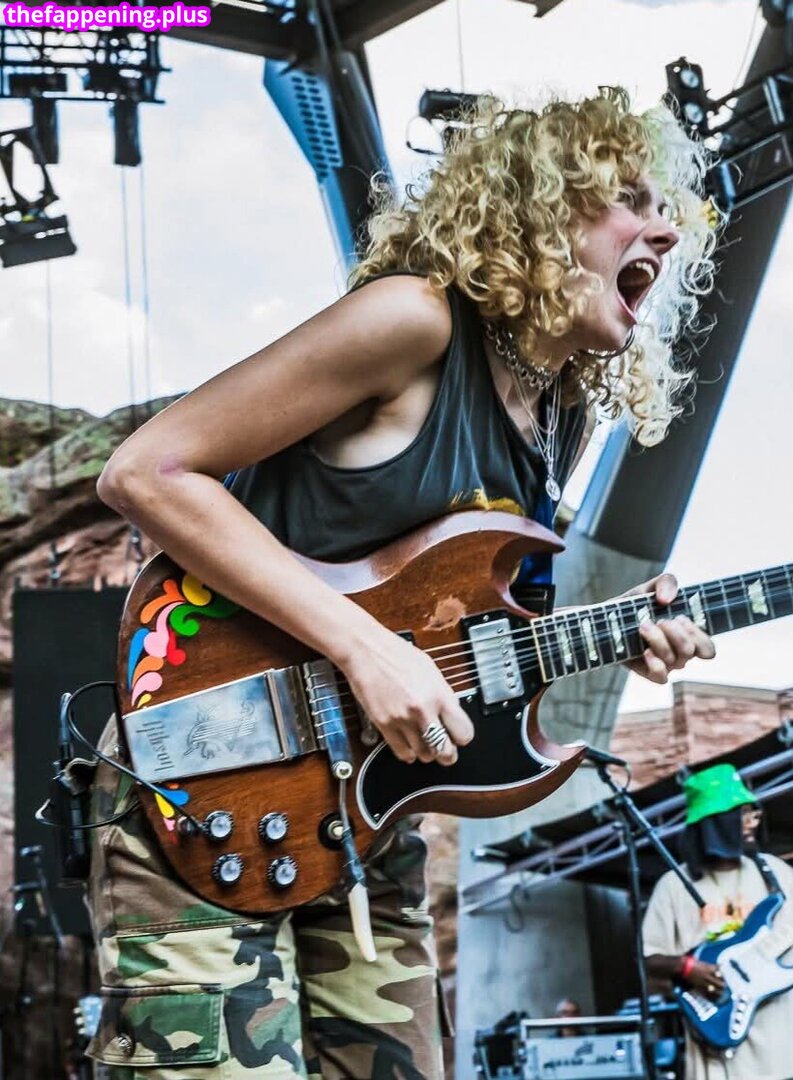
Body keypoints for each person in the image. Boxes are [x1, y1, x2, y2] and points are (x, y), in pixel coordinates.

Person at [87, 87, 719, 1079]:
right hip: (209, 761)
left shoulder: (561, 417)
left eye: (665, 208)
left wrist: (614, 635)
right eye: (629, 198)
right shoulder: (411, 321)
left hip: (366, 812)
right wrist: (362, 647)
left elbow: (454, 632)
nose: (667, 230)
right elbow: (146, 472)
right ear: (544, 204)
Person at [643, 764, 793, 1080]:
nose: (753, 821)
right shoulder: (673, 887)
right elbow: (648, 960)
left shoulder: (775, 872)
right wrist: (686, 968)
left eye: (753, 812)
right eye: (742, 813)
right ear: (715, 823)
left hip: (781, 1047)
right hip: (717, 1045)